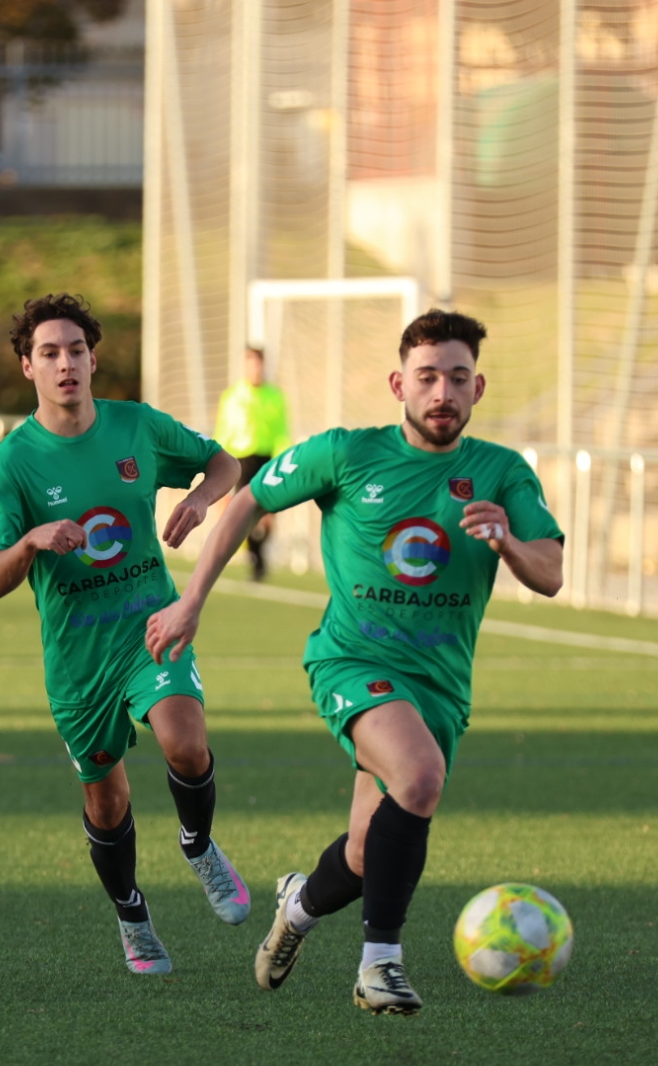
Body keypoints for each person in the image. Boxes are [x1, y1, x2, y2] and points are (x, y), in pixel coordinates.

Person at [146, 309, 563, 1015]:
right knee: (421, 777)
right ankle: (380, 965)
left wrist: (507, 544)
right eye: (428, 377)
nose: (442, 393)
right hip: (351, 661)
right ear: (400, 383)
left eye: (458, 379)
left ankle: (297, 910)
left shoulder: (502, 472)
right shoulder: (345, 453)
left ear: (477, 387)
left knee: (372, 853)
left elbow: (549, 572)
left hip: (440, 683)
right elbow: (248, 500)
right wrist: (192, 601)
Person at [0, 294, 248, 975]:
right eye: (48, 353)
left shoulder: (136, 427)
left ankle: (198, 844)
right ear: (26, 367)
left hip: (151, 626)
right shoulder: (12, 465)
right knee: (107, 796)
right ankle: (132, 915)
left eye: (75, 351)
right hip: (77, 659)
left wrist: (198, 497)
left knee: (185, 740)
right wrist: (31, 541)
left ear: (93, 359)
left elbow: (225, 464)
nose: (64, 364)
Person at [213, 346, 293, 579]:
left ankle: (258, 551)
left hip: (268, 458)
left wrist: (284, 456)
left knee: (268, 513)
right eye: (251, 364)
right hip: (241, 459)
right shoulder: (232, 396)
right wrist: (217, 463)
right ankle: (255, 558)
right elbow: (223, 430)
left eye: (259, 364)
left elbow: (282, 429)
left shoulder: (275, 396)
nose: (255, 369)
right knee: (246, 511)